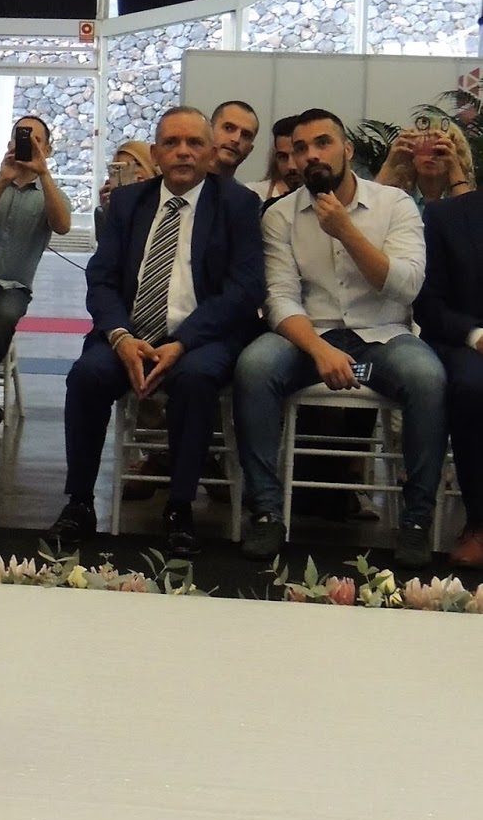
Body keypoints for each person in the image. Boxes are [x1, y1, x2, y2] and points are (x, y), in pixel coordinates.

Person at [233, 108, 446, 568]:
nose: (312, 155)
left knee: (427, 377)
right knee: (254, 366)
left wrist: (346, 232)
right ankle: (266, 512)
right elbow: (280, 299)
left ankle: (415, 521)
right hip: (309, 335)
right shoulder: (281, 216)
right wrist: (318, 349)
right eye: (301, 148)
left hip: (383, 338)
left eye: (323, 143)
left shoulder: (394, 205)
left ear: (347, 150)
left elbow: (407, 286)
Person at [52, 107, 264, 555]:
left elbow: (244, 290)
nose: (183, 151)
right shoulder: (128, 203)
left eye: (194, 143)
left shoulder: (238, 204)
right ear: (155, 153)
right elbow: (102, 279)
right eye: (172, 143)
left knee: (195, 378)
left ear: (210, 152)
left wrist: (183, 343)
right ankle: (79, 502)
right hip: (128, 333)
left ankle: (180, 507)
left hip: (201, 337)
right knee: (87, 375)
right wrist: (120, 337)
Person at [0, 115, 72, 430]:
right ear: (9, 143)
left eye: (35, 141)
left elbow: (62, 226)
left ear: (47, 149)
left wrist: (43, 173)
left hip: (11, 285)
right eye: (20, 138)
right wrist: (3, 180)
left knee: (5, 318)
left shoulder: (52, 193)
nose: (26, 145)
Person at [413, 190, 483, 566]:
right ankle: (480, 524)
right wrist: (475, 335)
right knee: (473, 387)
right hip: (467, 341)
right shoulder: (446, 216)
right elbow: (428, 304)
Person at [375, 119, 475, 207]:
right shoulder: (398, 196)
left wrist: (455, 167)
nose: (431, 157)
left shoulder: (458, 196)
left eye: (439, 151)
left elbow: (470, 215)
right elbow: (370, 205)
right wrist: (390, 164)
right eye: (423, 150)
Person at [94, 139, 155, 240]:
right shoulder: (107, 211)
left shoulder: (168, 203)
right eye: (123, 168)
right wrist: (111, 213)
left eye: (138, 164)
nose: (133, 172)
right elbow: (109, 248)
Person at [243, 115, 300, 205]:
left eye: (297, 154)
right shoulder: (253, 195)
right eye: (283, 157)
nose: (290, 166)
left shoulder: (323, 201)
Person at [210, 99, 259, 181]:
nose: (236, 139)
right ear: (208, 131)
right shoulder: (186, 185)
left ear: (250, 150)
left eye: (245, 135)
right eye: (228, 128)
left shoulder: (243, 190)